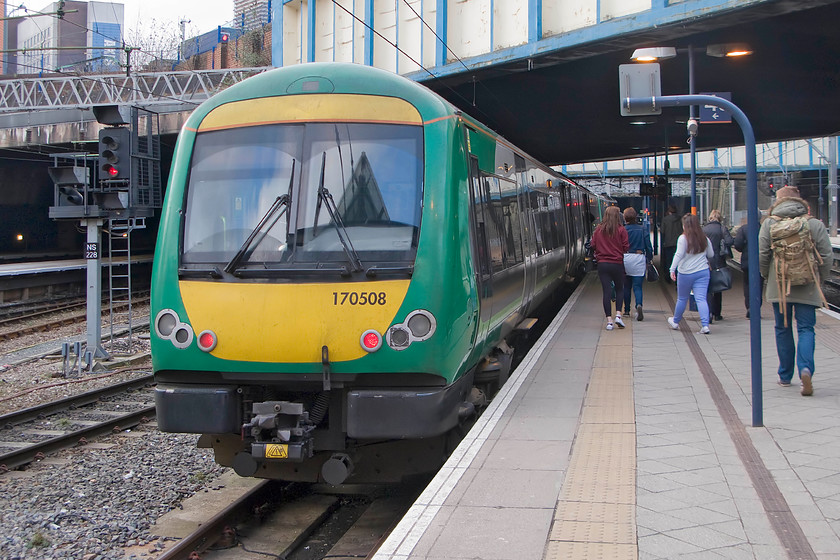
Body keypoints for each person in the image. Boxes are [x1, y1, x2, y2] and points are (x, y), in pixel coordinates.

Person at [758, 185, 832, 396]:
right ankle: (806, 370)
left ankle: (784, 375)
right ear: (800, 202)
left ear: (778, 202)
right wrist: (820, 278)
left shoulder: (769, 224)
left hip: (779, 286)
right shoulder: (814, 224)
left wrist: (768, 276)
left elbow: (762, 255)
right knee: (806, 329)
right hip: (807, 285)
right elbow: (826, 257)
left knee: (782, 328)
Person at [668, 213, 714, 334]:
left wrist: (672, 269)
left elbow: (678, 255)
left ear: (685, 226)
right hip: (703, 272)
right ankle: (705, 325)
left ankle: (676, 321)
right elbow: (711, 254)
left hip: (685, 273)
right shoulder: (704, 238)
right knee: (701, 299)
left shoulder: (683, 239)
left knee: (682, 298)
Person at [591, 206, 628, 331]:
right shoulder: (621, 230)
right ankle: (618, 315)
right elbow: (626, 247)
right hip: (617, 263)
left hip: (603, 264)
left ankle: (609, 321)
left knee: (606, 291)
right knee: (619, 289)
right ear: (618, 216)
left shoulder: (598, 230)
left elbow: (593, 245)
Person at [702, 210, 734, 322]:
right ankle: (717, 313)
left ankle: (709, 313)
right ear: (720, 218)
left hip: (707, 261)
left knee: (708, 287)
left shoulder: (704, 230)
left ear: (710, 218)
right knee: (718, 287)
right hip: (719, 261)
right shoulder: (722, 229)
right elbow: (730, 241)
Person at [622, 207, 653, 321]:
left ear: (625, 218)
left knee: (626, 286)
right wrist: (649, 258)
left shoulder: (623, 230)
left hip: (626, 258)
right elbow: (648, 246)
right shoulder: (643, 229)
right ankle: (638, 305)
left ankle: (626, 310)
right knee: (638, 287)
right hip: (638, 258)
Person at [733, 218, 763, 318]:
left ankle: (749, 306)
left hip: (747, 261)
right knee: (759, 284)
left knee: (747, 284)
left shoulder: (743, 229)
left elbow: (737, 244)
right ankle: (757, 306)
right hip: (760, 261)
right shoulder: (763, 228)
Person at [660, 205, 682, 284]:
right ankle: (677, 279)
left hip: (668, 243)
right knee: (678, 261)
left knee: (669, 261)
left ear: (668, 212)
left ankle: (668, 278)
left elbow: (662, 231)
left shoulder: (665, 220)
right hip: (678, 243)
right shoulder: (680, 219)